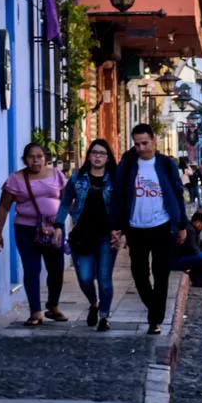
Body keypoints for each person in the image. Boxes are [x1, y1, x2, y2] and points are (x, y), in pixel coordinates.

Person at [110, 123, 189, 335]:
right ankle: (154, 307)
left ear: (154, 140)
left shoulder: (165, 164)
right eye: (137, 144)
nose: (141, 148)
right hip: (136, 227)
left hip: (162, 226)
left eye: (145, 143)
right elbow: (118, 197)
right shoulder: (127, 165)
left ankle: (155, 320)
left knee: (161, 273)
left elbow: (177, 193)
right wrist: (116, 227)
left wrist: (182, 225)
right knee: (139, 274)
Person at [0, 141, 68, 326]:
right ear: (25, 159)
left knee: (56, 268)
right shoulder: (16, 179)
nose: (35, 161)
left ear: (45, 158)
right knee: (32, 268)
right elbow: (3, 206)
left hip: (53, 229)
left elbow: (67, 201)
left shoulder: (56, 175)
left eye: (39, 157)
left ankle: (53, 305)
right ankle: (35, 311)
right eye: (31, 157)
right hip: (26, 230)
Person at [56, 139, 118, 330]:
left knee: (104, 277)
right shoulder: (78, 177)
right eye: (94, 153)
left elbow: (123, 206)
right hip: (83, 235)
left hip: (107, 236)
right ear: (88, 156)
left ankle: (105, 316)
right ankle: (94, 303)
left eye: (102, 153)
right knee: (84, 277)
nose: (98, 157)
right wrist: (58, 225)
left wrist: (122, 230)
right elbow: (66, 202)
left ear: (108, 158)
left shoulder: (115, 179)